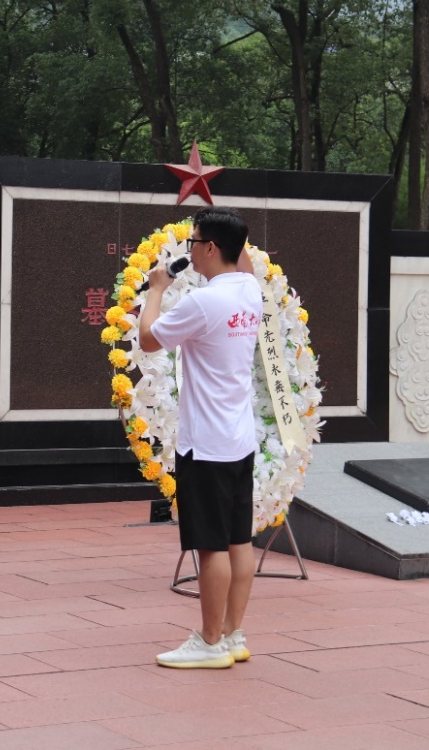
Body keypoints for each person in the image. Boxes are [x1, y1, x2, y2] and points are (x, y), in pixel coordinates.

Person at [140, 206, 260, 669]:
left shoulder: (204, 302)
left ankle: (209, 643)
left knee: (211, 545)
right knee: (239, 540)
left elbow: (149, 339)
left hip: (207, 443)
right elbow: (242, 257)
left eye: (194, 242)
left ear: (210, 248)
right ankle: (232, 634)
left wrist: (156, 289)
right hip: (239, 438)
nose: (189, 250)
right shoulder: (249, 289)